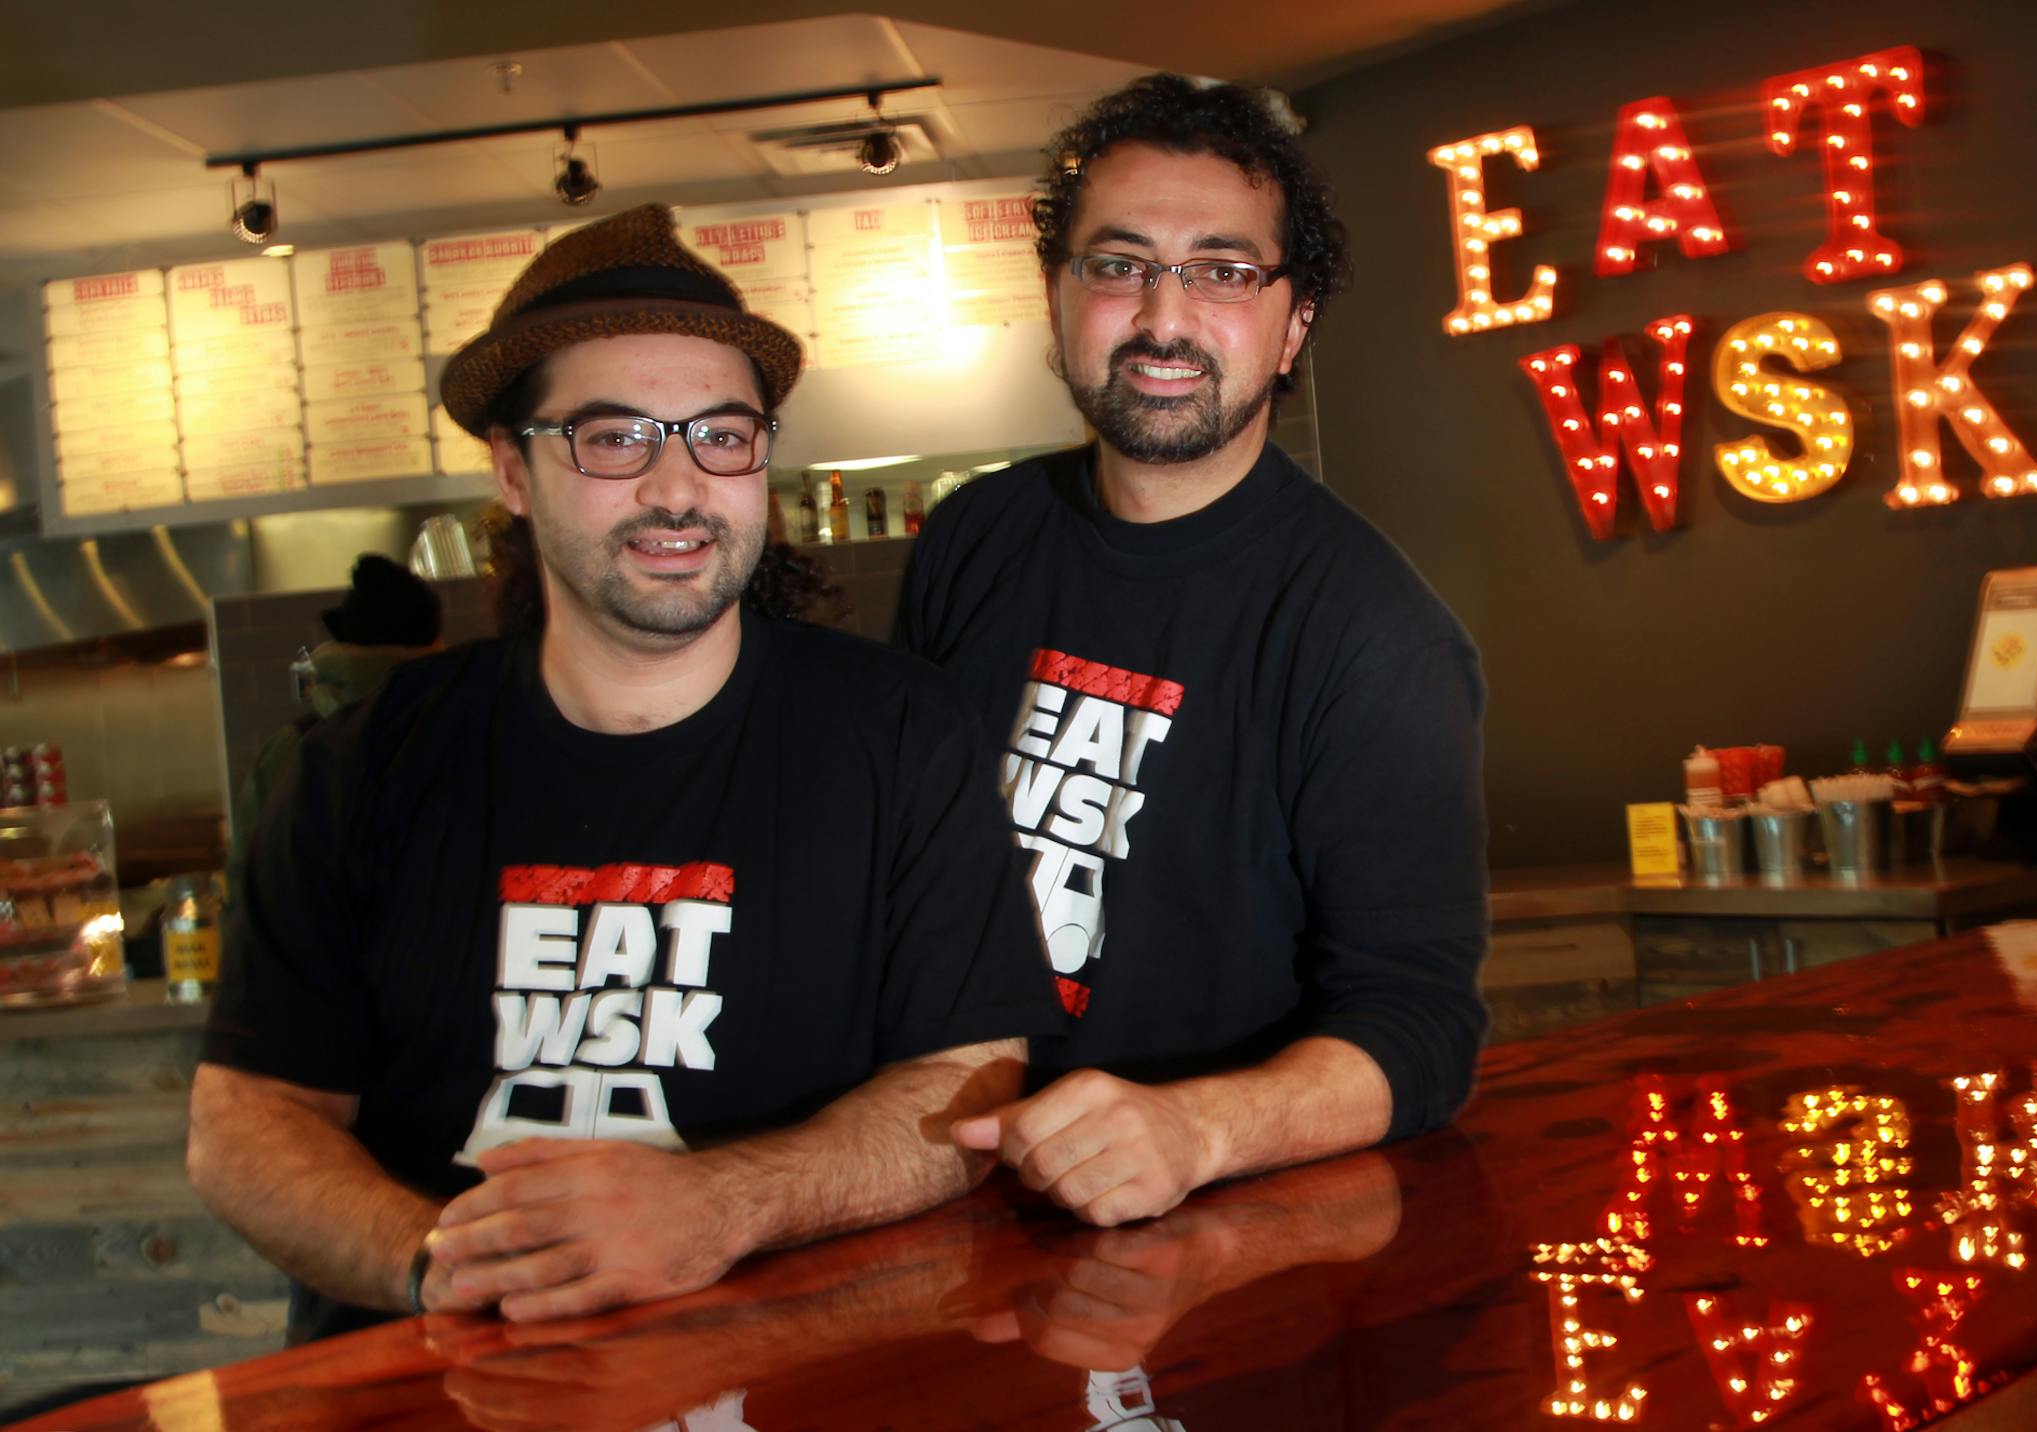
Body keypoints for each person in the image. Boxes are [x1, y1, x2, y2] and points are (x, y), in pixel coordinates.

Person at [191, 203, 1062, 1343]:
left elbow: (969, 1078)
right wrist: (453, 1265)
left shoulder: (901, 734)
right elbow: (249, 1121)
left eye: (721, 434)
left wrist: (718, 1204)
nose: (677, 487)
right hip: (449, 1387)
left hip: (801, 1379)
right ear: (512, 469)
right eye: (614, 438)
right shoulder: (360, 769)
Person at [895, 74, 1489, 1227]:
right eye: (1119, 265)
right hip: (944, 1181)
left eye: (1222, 272)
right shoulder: (974, 535)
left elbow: (1418, 1024)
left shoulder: (1373, 632)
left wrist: (1194, 1129)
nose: (1163, 319)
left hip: (1204, 1230)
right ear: (1058, 292)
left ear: (1293, 320)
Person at [227, 553, 442, 914]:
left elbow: (245, 893)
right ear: (435, 646)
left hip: (309, 964)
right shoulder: (467, 733)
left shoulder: (290, 750)